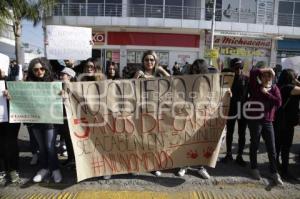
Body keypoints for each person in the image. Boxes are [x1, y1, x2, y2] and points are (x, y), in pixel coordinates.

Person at [134, 50, 170, 177]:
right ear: (143, 62)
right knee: (140, 139)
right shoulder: (140, 73)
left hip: (156, 112)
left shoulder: (159, 75)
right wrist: (136, 77)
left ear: (156, 61)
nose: (149, 62)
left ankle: (154, 166)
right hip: (141, 111)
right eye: (146, 60)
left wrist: (161, 70)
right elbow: (130, 88)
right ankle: (139, 164)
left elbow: (173, 81)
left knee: (154, 141)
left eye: (152, 60)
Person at [26, 58, 62, 183]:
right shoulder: (27, 83)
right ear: (32, 71)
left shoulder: (53, 82)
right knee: (41, 147)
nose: (39, 71)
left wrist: (63, 93)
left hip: (50, 120)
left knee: (50, 146)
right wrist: (10, 94)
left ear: (46, 68)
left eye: (42, 68)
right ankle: (44, 169)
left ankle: (55, 169)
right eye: (35, 69)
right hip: (35, 120)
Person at [247, 66, 283, 185]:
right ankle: (254, 168)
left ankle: (274, 171)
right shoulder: (255, 86)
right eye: (265, 75)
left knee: (272, 148)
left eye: (270, 76)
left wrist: (267, 94)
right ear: (261, 77)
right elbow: (252, 72)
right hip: (255, 120)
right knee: (254, 144)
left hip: (268, 121)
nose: (267, 78)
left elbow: (278, 102)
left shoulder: (274, 88)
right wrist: (267, 69)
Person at [178, 59, 211, 179]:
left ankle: (201, 167)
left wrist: (226, 92)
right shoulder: (187, 80)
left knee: (200, 143)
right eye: (194, 69)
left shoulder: (208, 82)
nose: (196, 71)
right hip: (188, 114)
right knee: (186, 141)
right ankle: (184, 165)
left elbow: (217, 93)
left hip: (202, 116)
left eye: (198, 69)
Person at [221, 58, 249, 167]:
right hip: (231, 109)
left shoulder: (247, 79)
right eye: (236, 68)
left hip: (243, 110)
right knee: (230, 132)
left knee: (242, 134)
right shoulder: (227, 79)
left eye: (241, 68)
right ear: (232, 68)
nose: (239, 70)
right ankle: (229, 154)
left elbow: (252, 94)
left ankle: (240, 156)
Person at [274, 69, 300, 180]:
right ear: (290, 77)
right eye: (295, 76)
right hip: (286, 123)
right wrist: (297, 81)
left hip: (279, 121)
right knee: (285, 147)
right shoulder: (288, 88)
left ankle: (275, 166)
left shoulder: (280, 87)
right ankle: (284, 170)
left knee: (278, 146)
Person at [0, 69, 22, 186]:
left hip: (10, 117)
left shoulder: (12, 79)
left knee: (11, 143)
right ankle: (1, 170)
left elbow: (21, 97)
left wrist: (12, 95)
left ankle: (13, 169)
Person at [56, 67, 76, 170]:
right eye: (60, 74)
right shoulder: (58, 87)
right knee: (67, 140)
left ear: (70, 77)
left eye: (63, 75)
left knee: (73, 141)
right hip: (63, 119)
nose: (60, 76)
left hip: (72, 119)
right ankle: (70, 159)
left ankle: (75, 161)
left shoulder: (75, 88)